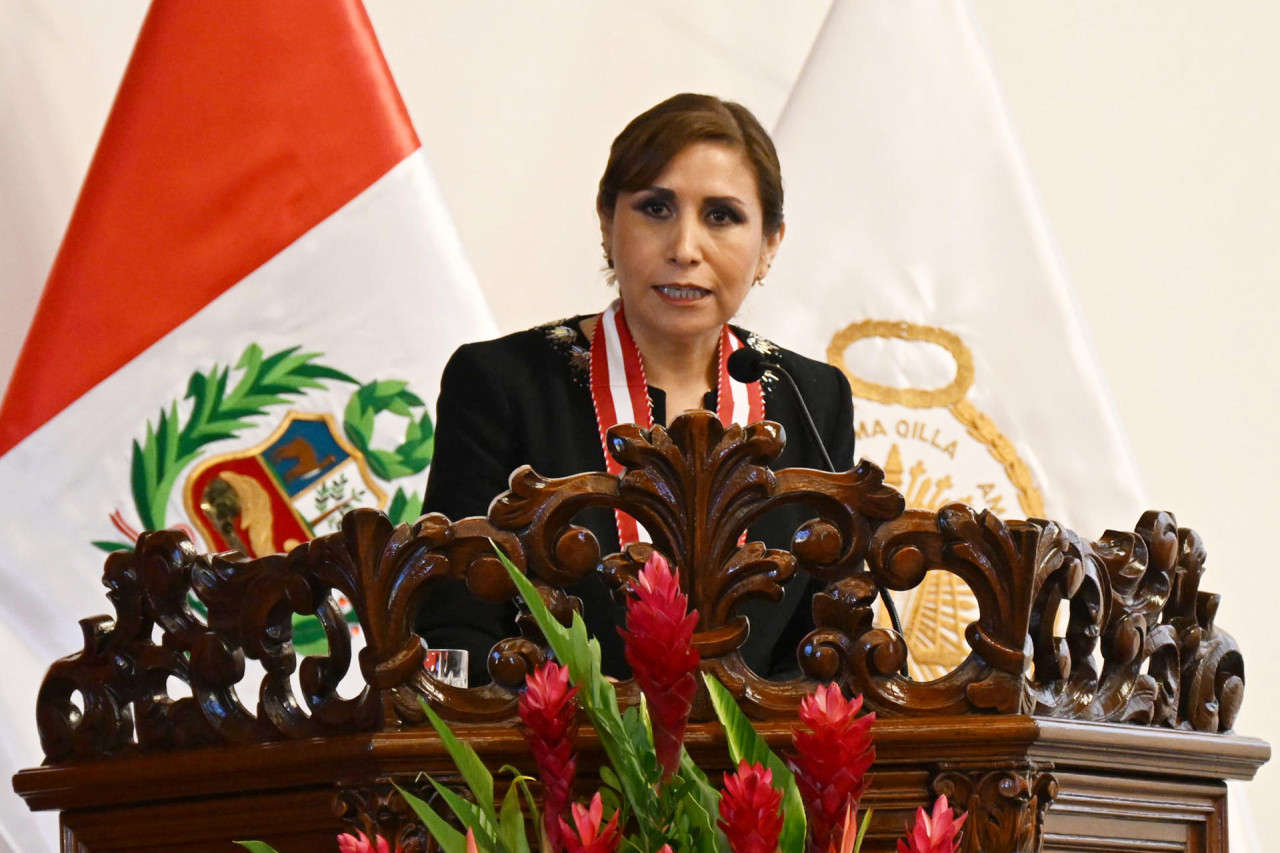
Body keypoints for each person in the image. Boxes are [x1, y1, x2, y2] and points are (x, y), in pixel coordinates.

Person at [420, 93, 854, 685]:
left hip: (755, 769)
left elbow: (825, 633)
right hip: (547, 762)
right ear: (607, 224)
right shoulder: (501, 383)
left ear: (770, 243)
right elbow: (456, 627)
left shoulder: (813, 397)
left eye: (722, 216)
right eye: (655, 208)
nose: (684, 248)